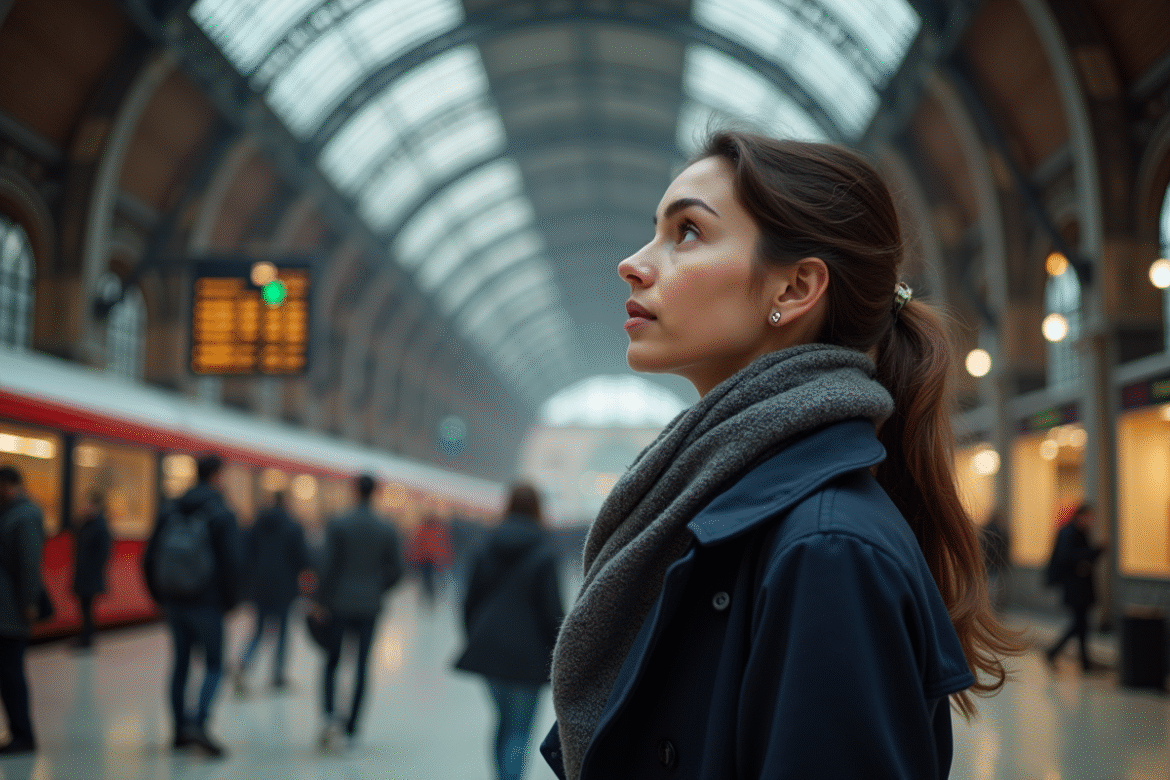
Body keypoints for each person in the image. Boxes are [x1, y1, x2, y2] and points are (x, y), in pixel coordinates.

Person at [540, 132, 1022, 780]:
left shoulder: (826, 550)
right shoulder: (737, 510)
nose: (633, 263)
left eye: (686, 233)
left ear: (795, 289)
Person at [455, 484, 565, 780]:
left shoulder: (485, 545)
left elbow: (469, 600)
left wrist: (474, 638)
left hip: (489, 650)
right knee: (519, 730)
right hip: (527, 657)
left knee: (503, 722)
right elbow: (553, 611)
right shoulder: (544, 551)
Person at [143, 453, 241, 758]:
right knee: (214, 665)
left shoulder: (170, 508)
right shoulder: (221, 513)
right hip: (208, 605)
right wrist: (229, 603)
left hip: (175, 603)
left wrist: (160, 597)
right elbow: (232, 563)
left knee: (180, 666)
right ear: (217, 476)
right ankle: (198, 723)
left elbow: (148, 558)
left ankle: (177, 732)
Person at [314, 473, 404, 749]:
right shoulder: (386, 527)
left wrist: (320, 599)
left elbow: (327, 565)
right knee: (362, 667)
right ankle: (353, 730)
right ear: (375, 492)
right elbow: (398, 569)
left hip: (339, 603)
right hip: (369, 604)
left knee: (332, 660)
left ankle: (330, 716)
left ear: (354, 491)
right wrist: (377, 588)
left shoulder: (338, 523)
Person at [232, 491, 309, 693]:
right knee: (283, 632)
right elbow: (302, 558)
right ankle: (277, 676)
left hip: (259, 586)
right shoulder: (293, 527)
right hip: (285, 587)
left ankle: (243, 664)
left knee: (258, 630)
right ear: (285, 503)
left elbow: (246, 554)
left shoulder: (256, 526)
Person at [0, 465, 45, 755]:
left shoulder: (24, 515)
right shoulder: (12, 513)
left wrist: (29, 603)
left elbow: (29, 563)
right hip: (7, 606)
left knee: (11, 672)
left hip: (11, 609)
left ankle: (23, 735)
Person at [1045, 503, 1106, 671]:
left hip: (1080, 587)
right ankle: (1055, 652)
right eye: (1089, 517)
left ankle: (1083, 662)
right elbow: (1066, 558)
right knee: (1080, 624)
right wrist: (1091, 553)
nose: (1091, 521)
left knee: (1081, 624)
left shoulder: (1079, 533)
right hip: (1075, 587)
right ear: (1080, 516)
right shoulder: (1069, 533)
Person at [71, 490, 112, 649]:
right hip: (83, 574)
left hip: (90, 575)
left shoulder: (100, 526)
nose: (85, 507)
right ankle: (85, 636)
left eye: (88, 504)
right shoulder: (85, 524)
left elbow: (103, 554)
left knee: (87, 608)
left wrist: (93, 571)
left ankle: (87, 639)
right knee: (84, 608)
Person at [410, 514, 452, 607]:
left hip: (427, 559)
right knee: (433, 580)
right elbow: (445, 546)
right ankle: (432, 597)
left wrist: (414, 558)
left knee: (428, 580)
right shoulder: (439, 531)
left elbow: (417, 545)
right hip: (432, 560)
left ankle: (429, 597)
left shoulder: (424, 530)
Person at [981, 509, 1010, 612]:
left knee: (990, 585)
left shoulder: (986, 529)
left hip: (989, 563)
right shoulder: (998, 531)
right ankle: (991, 608)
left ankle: (989, 607)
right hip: (994, 563)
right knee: (992, 586)